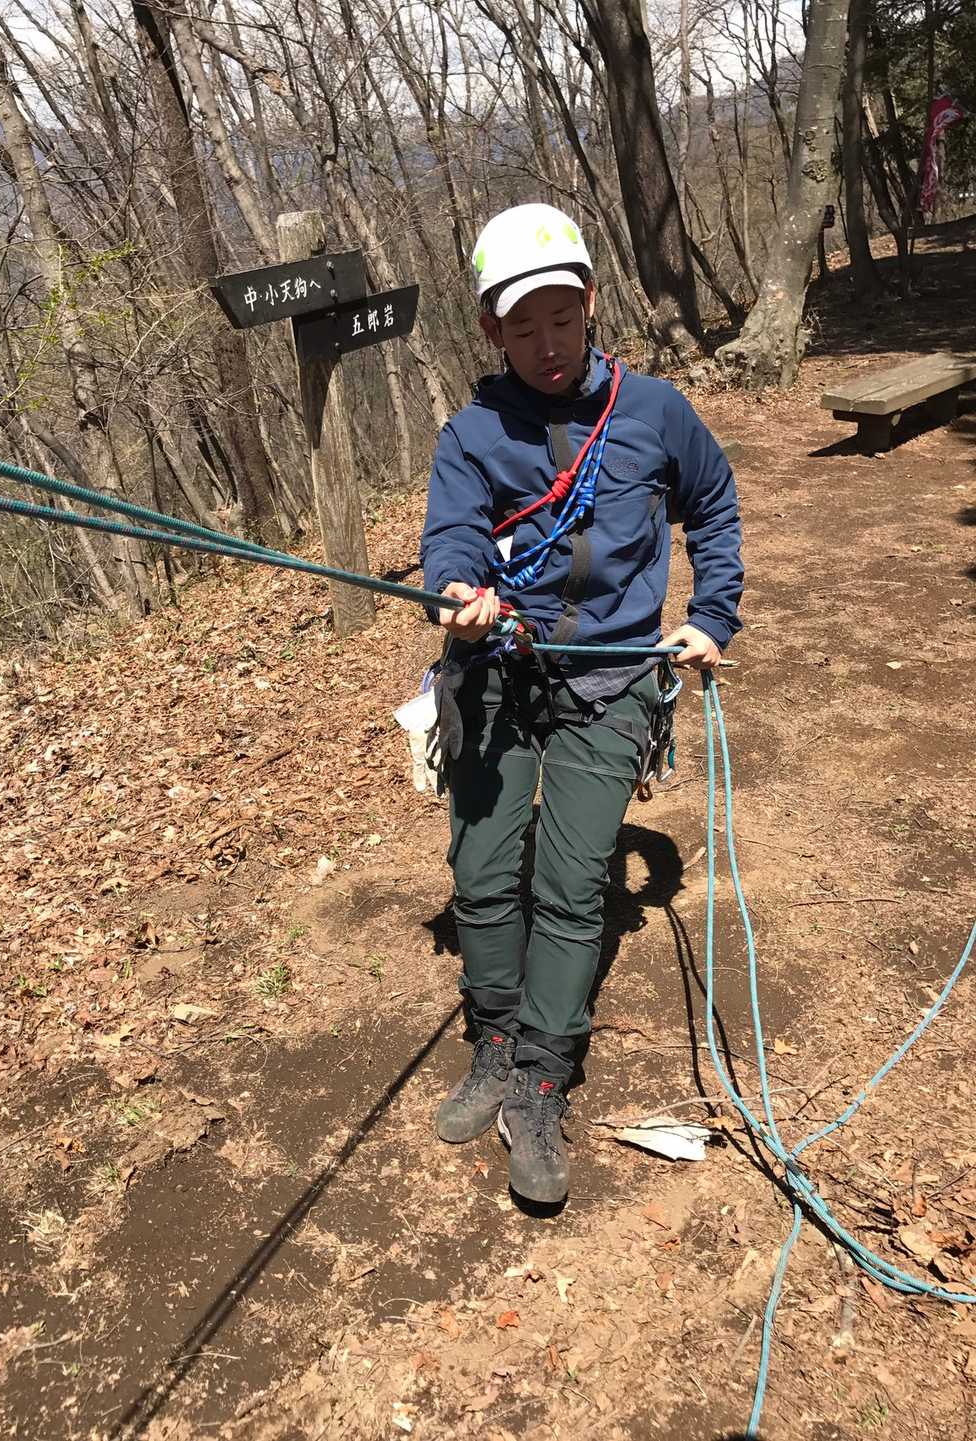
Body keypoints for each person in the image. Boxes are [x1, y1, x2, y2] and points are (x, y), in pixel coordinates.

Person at [419, 202, 743, 1204]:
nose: (547, 343)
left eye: (561, 317)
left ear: (591, 302)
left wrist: (712, 615)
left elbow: (713, 502)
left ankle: (544, 1073)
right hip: (499, 673)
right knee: (482, 873)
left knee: (568, 885)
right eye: (523, 326)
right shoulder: (472, 435)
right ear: (492, 330)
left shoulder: (654, 412)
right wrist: (458, 592)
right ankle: (496, 1037)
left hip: (612, 678)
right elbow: (454, 537)